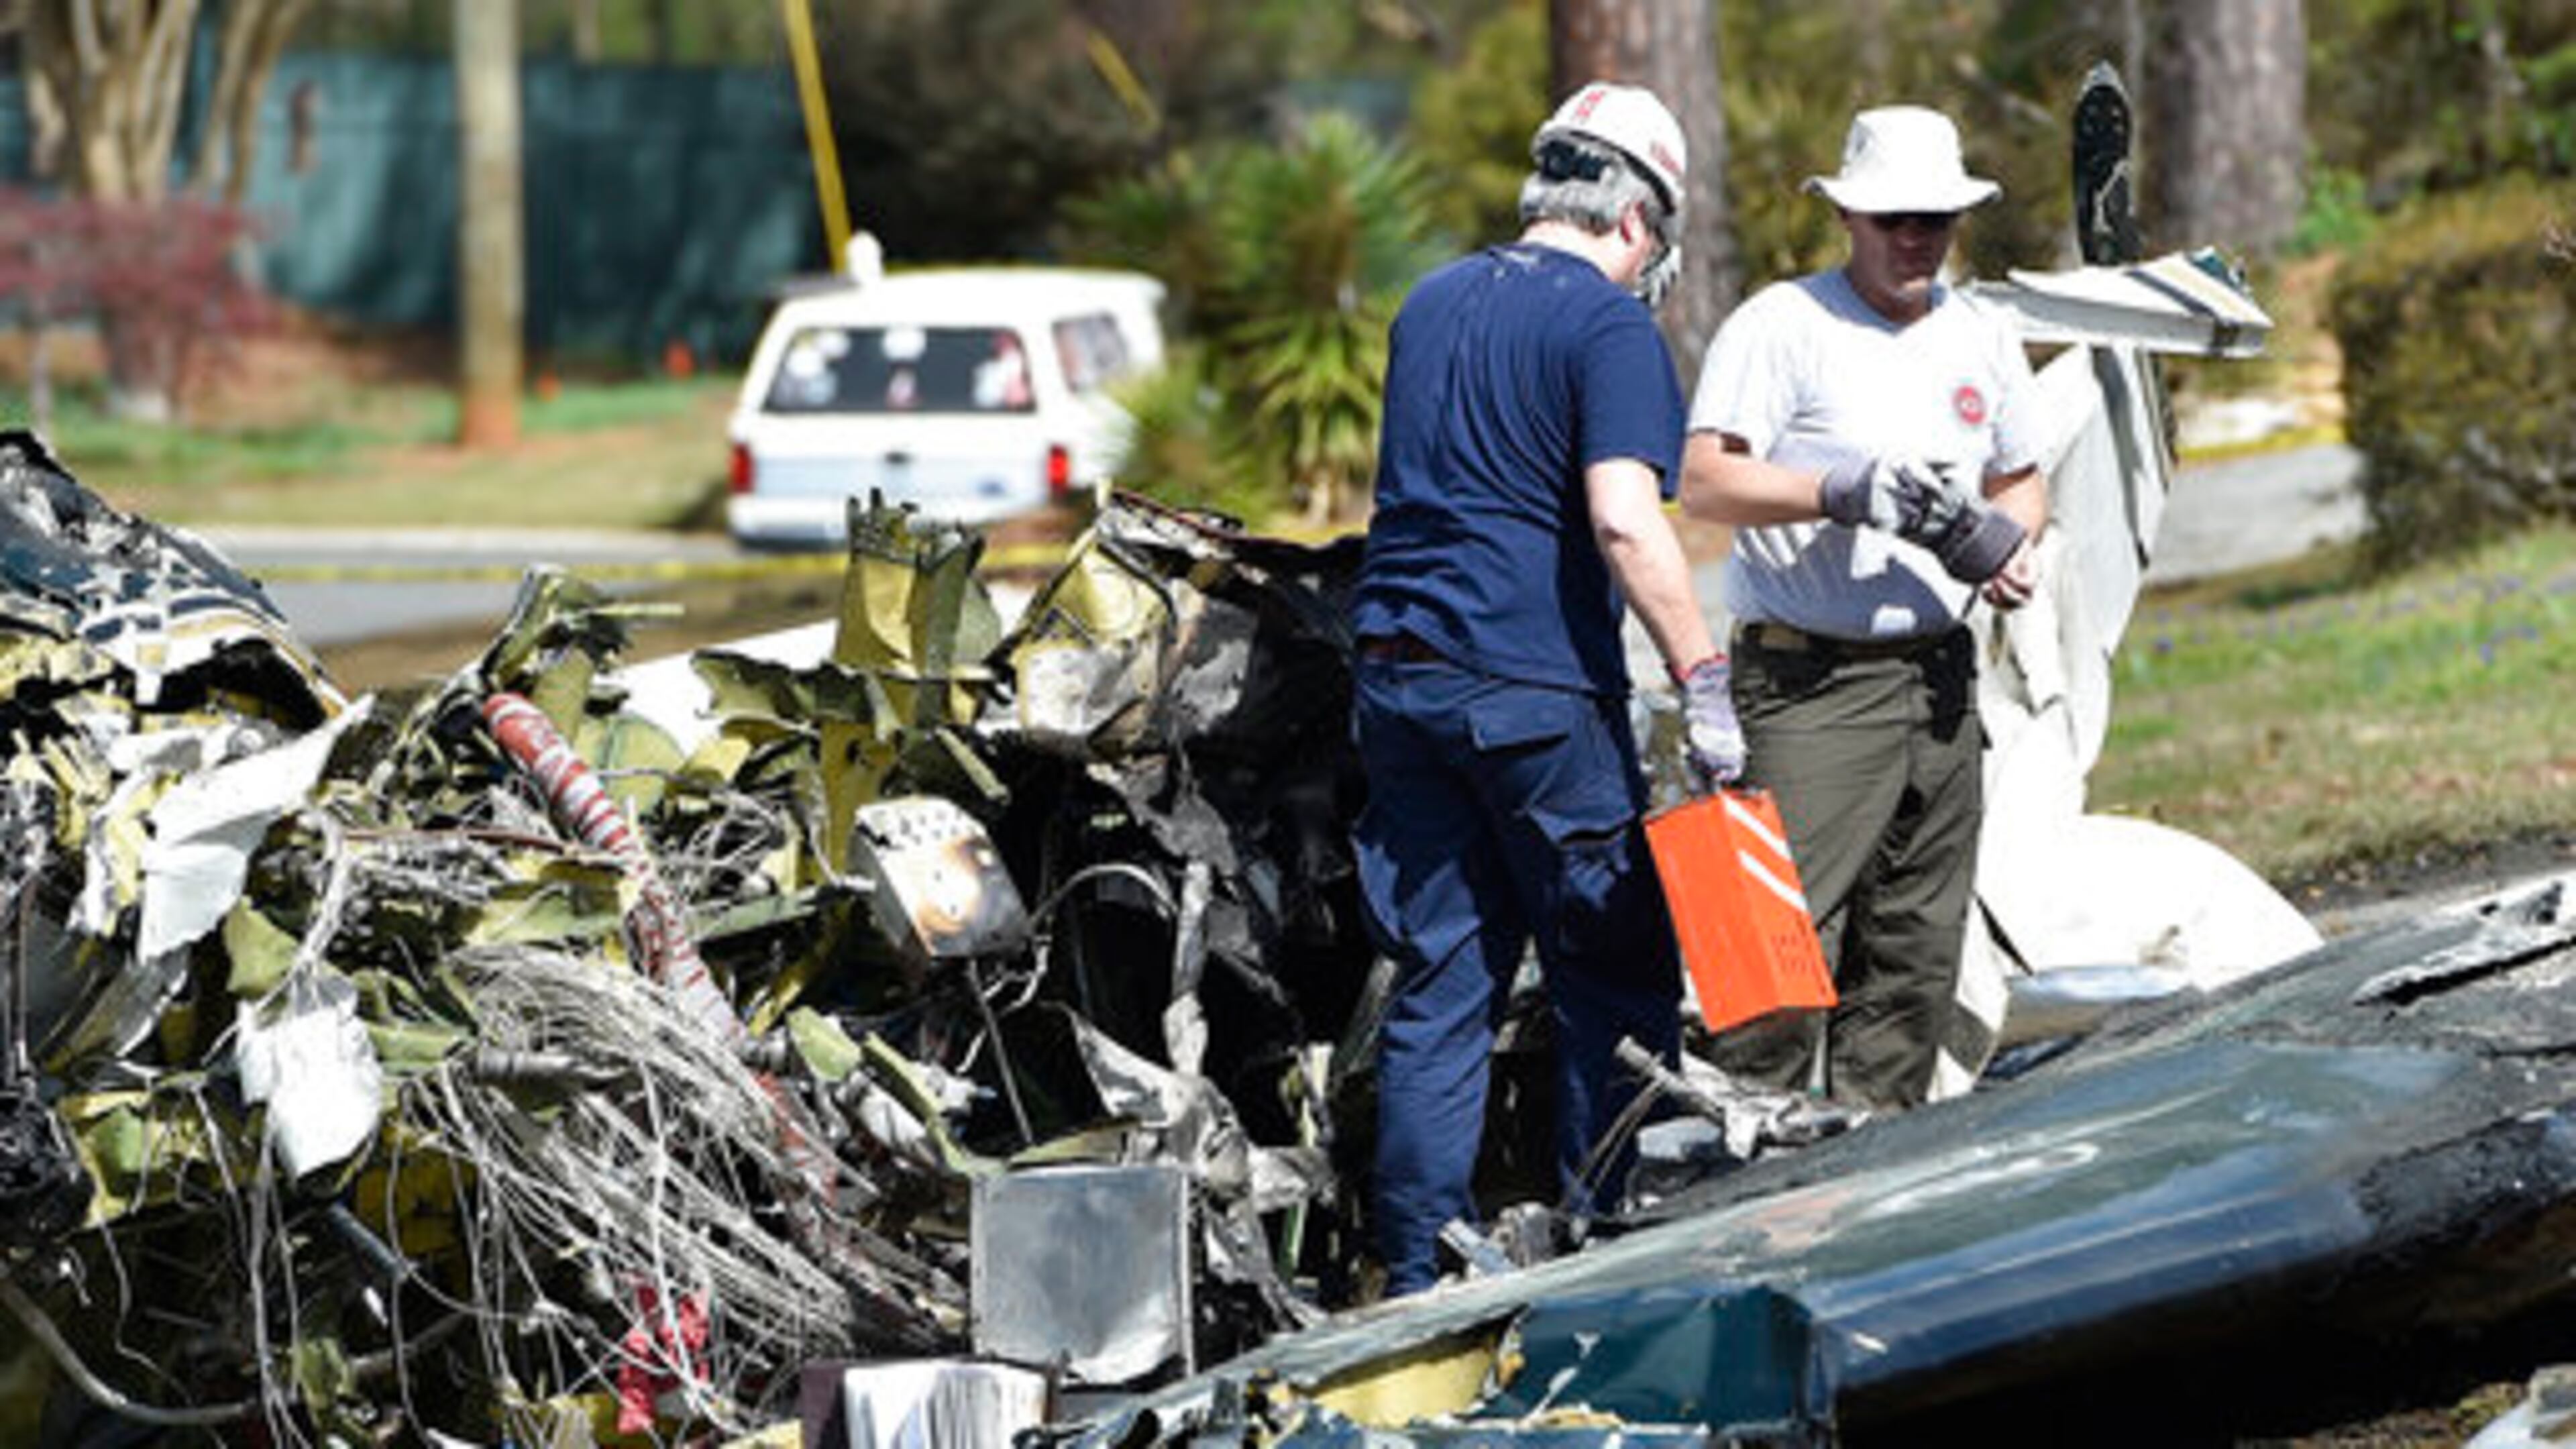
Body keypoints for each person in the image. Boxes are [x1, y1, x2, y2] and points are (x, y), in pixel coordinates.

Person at [1349, 80, 1741, 1296]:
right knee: (1612, 974)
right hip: (1530, 689)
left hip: (1398, 677)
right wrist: (1704, 675)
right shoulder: (1608, 326)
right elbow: (1625, 520)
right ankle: (1615, 1255)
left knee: (1443, 986)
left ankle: (1414, 1273)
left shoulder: (1430, 301)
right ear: (1635, 219)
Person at [1678, 104, 2047, 1111]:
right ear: (1847, 217)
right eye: (1894, 220)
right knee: (1762, 969)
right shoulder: (1780, 324)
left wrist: (2009, 544)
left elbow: (2021, 480)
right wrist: (1839, 491)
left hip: (1937, 682)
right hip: (1804, 684)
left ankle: (1875, 1154)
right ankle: (1731, 1160)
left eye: (1936, 219)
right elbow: (1703, 482)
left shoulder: (1983, 332)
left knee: (1914, 961)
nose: (1916, 238)